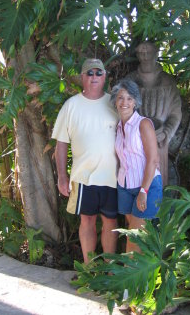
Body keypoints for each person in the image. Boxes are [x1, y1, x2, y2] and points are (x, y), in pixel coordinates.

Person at [52, 58, 118, 263]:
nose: (94, 77)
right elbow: (61, 143)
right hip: (83, 178)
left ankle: (109, 268)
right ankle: (90, 270)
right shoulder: (71, 106)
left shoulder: (115, 103)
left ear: (105, 76)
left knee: (111, 221)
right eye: (90, 73)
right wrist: (62, 177)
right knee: (87, 220)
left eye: (99, 73)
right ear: (82, 77)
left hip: (113, 177)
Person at [111, 78, 162, 253]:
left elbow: (153, 160)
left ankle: (129, 276)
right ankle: (137, 277)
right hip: (125, 186)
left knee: (135, 238)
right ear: (115, 101)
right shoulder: (118, 127)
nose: (124, 102)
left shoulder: (144, 124)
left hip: (146, 187)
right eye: (120, 98)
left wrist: (143, 191)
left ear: (135, 102)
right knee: (132, 234)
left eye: (129, 98)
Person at [126, 41, 182, 186]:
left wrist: (166, 133)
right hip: (134, 143)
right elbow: (121, 110)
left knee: (156, 187)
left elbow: (175, 113)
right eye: (142, 53)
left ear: (156, 54)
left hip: (158, 141)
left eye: (149, 53)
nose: (145, 57)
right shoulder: (130, 80)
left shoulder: (167, 82)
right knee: (134, 184)